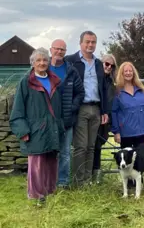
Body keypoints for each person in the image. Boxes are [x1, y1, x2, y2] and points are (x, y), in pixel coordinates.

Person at [10, 48, 64, 206]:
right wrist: (23, 130)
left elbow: (58, 107)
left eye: (45, 60)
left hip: (52, 127)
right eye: (38, 60)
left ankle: (49, 191)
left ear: (48, 63)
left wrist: (60, 125)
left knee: (51, 161)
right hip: (35, 129)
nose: (42, 63)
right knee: (37, 163)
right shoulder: (26, 82)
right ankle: (36, 195)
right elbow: (17, 109)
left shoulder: (54, 80)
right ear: (32, 63)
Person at [65, 31, 109, 186]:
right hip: (81, 108)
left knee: (91, 146)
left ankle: (87, 179)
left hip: (96, 108)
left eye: (93, 42)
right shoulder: (70, 61)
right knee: (81, 146)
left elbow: (103, 88)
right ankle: (78, 181)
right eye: (87, 42)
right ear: (81, 43)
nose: (90, 45)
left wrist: (104, 110)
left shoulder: (98, 63)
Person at [49, 39, 85, 188]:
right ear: (51, 50)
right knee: (49, 152)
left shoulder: (71, 71)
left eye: (62, 50)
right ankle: (49, 181)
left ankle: (63, 182)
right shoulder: (44, 69)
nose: (59, 52)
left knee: (65, 152)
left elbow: (80, 92)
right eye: (56, 49)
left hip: (67, 118)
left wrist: (72, 107)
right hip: (49, 119)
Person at [111, 62, 144, 149]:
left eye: (130, 71)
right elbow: (114, 112)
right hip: (125, 133)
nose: (128, 73)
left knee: (141, 160)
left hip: (141, 132)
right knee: (127, 161)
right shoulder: (117, 92)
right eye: (125, 71)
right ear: (121, 74)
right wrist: (116, 132)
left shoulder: (141, 90)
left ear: (134, 73)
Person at [92, 54, 117, 184]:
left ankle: (96, 176)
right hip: (94, 116)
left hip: (105, 121)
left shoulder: (111, 83)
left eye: (112, 66)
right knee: (89, 146)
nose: (109, 67)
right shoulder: (93, 79)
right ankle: (87, 176)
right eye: (107, 64)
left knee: (98, 147)